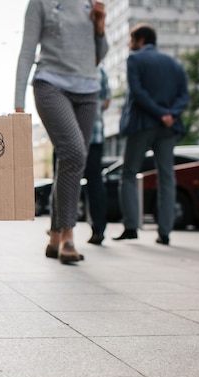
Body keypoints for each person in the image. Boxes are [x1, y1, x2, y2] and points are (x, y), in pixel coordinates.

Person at [15, 0, 108, 264]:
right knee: (75, 153)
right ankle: (68, 235)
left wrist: (99, 26)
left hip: (88, 90)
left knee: (72, 162)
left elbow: (99, 55)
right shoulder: (41, 4)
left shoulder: (90, 4)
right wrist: (18, 102)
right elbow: (26, 51)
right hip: (50, 85)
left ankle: (55, 234)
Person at [113, 23, 190, 245]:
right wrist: (169, 114)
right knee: (167, 176)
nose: (130, 45)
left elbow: (138, 93)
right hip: (168, 127)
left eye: (131, 40)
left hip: (141, 125)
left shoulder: (135, 59)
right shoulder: (174, 64)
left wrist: (158, 113)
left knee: (128, 173)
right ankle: (164, 232)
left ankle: (131, 227)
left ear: (140, 40)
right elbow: (184, 96)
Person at [84, 65, 111, 245]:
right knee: (95, 181)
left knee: (64, 179)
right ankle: (99, 228)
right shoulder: (100, 71)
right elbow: (106, 101)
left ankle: (59, 228)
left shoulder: (70, 64)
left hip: (70, 135)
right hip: (96, 134)